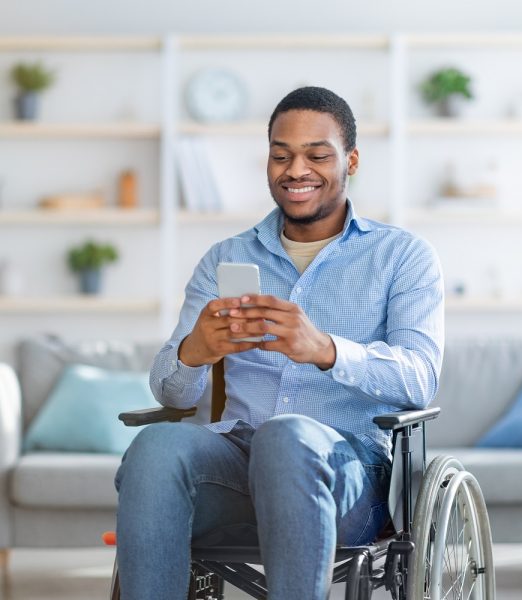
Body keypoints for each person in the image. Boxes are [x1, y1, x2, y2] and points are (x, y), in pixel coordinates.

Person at [115, 86, 444, 600]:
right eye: (281, 155)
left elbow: (421, 378)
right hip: (238, 464)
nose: (296, 170)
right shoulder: (224, 257)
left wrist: (327, 350)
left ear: (350, 160)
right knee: (156, 446)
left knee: (286, 437)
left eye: (317, 155)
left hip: (347, 473)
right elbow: (171, 394)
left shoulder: (402, 257)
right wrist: (196, 350)